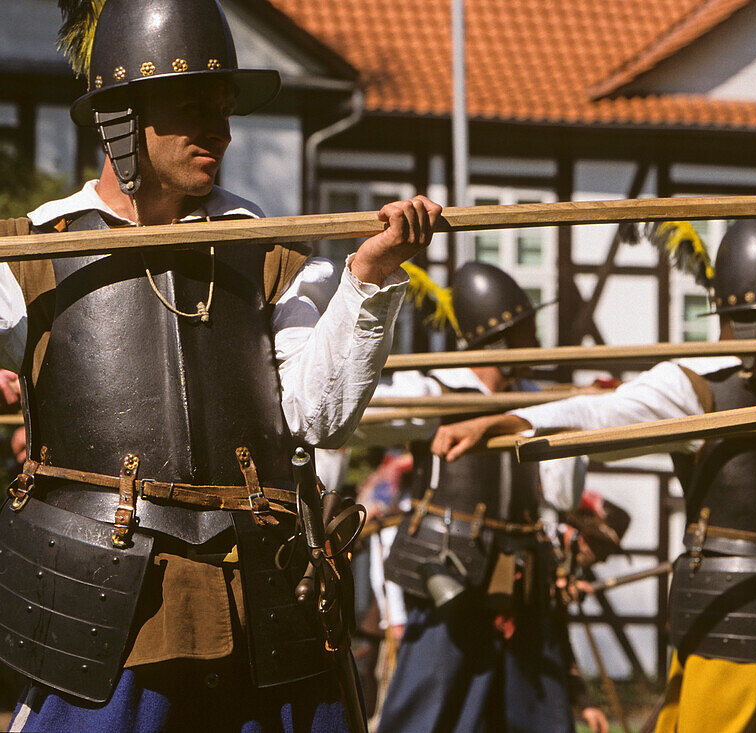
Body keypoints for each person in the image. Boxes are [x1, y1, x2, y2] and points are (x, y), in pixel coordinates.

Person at [0, 0, 440, 730]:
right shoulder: (31, 253)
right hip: (103, 615)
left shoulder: (269, 247)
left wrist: (368, 279)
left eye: (225, 108)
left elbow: (319, 414)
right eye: (191, 107)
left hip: (264, 604)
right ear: (121, 116)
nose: (222, 131)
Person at [433, 219, 756, 732]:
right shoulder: (690, 387)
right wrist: (517, 419)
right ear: (750, 317)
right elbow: (604, 417)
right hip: (740, 612)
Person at [362, 262, 603, 733]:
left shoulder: (540, 400)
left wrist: (564, 421)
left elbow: (561, 494)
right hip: (451, 579)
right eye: (525, 334)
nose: (534, 345)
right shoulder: (434, 391)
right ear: (495, 342)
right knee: (427, 719)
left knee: (540, 720)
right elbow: (362, 413)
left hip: (524, 585)